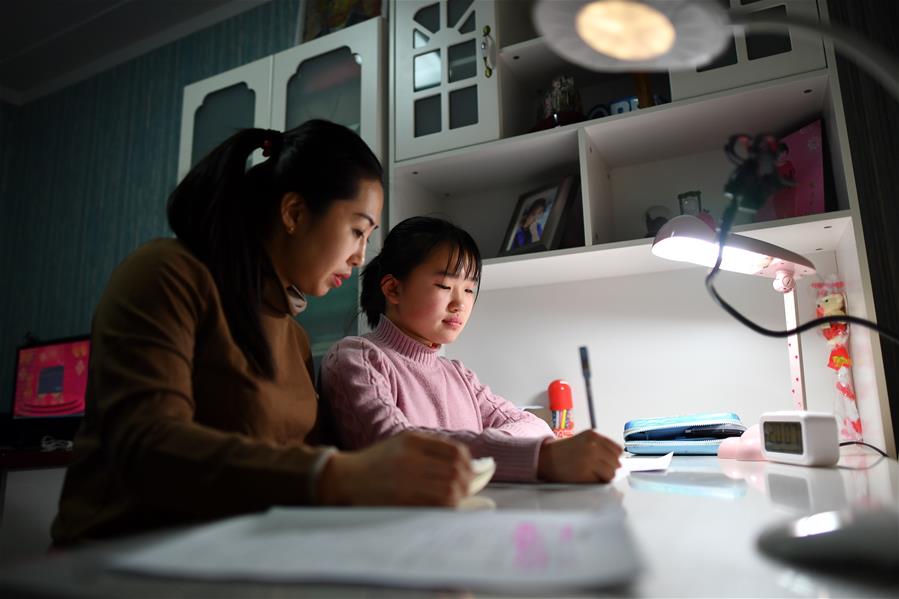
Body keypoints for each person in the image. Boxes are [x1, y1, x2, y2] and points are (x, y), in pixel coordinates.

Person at [51, 121, 474, 546]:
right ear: (293, 213)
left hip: (238, 552)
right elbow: (148, 445)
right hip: (123, 553)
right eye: (357, 230)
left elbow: (307, 456)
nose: (361, 256)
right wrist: (335, 475)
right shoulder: (166, 274)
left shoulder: (293, 336)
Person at [321, 216, 622, 483]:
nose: (460, 303)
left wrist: (493, 451)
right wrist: (531, 457)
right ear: (393, 289)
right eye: (444, 286)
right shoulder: (357, 357)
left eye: (468, 289)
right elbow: (395, 444)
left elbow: (533, 425)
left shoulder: (458, 374)